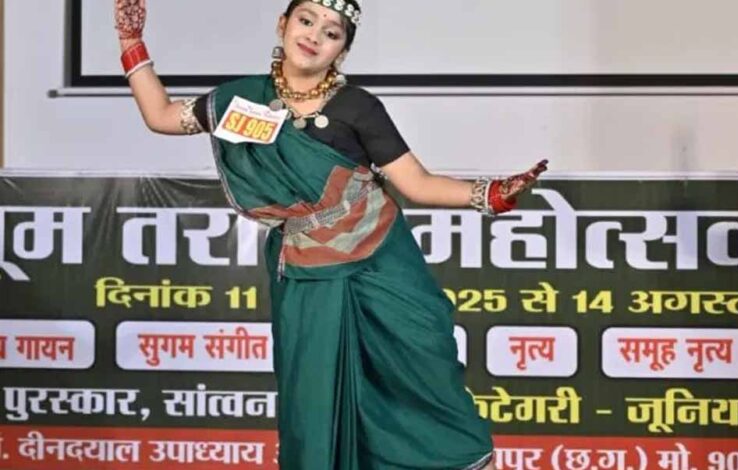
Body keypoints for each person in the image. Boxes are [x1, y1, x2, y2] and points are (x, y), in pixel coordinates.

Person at [115, 0, 547, 468]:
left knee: (425, 354)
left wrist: (492, 193)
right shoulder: (240, 101)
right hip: (306, 270)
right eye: (306, 21)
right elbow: (161, 116)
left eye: (332, 32)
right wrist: (131, 42)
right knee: (314, 389)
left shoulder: (357, 107)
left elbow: (416, 184)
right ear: (283, 25)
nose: (314, 36)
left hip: (379, 258)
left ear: (341, 51)